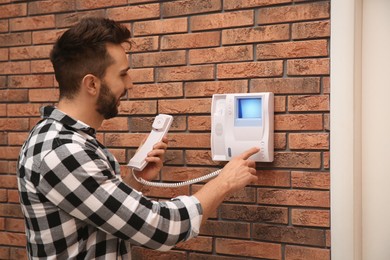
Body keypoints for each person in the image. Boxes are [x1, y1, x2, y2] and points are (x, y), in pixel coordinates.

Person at [16, 17, 259, 259]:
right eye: (122, 75)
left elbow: (100, 213)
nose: (129, 83)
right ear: (91, 84)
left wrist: (135, 179)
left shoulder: (71, 140)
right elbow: (161, 228)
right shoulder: (61, 151)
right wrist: (224, 182)